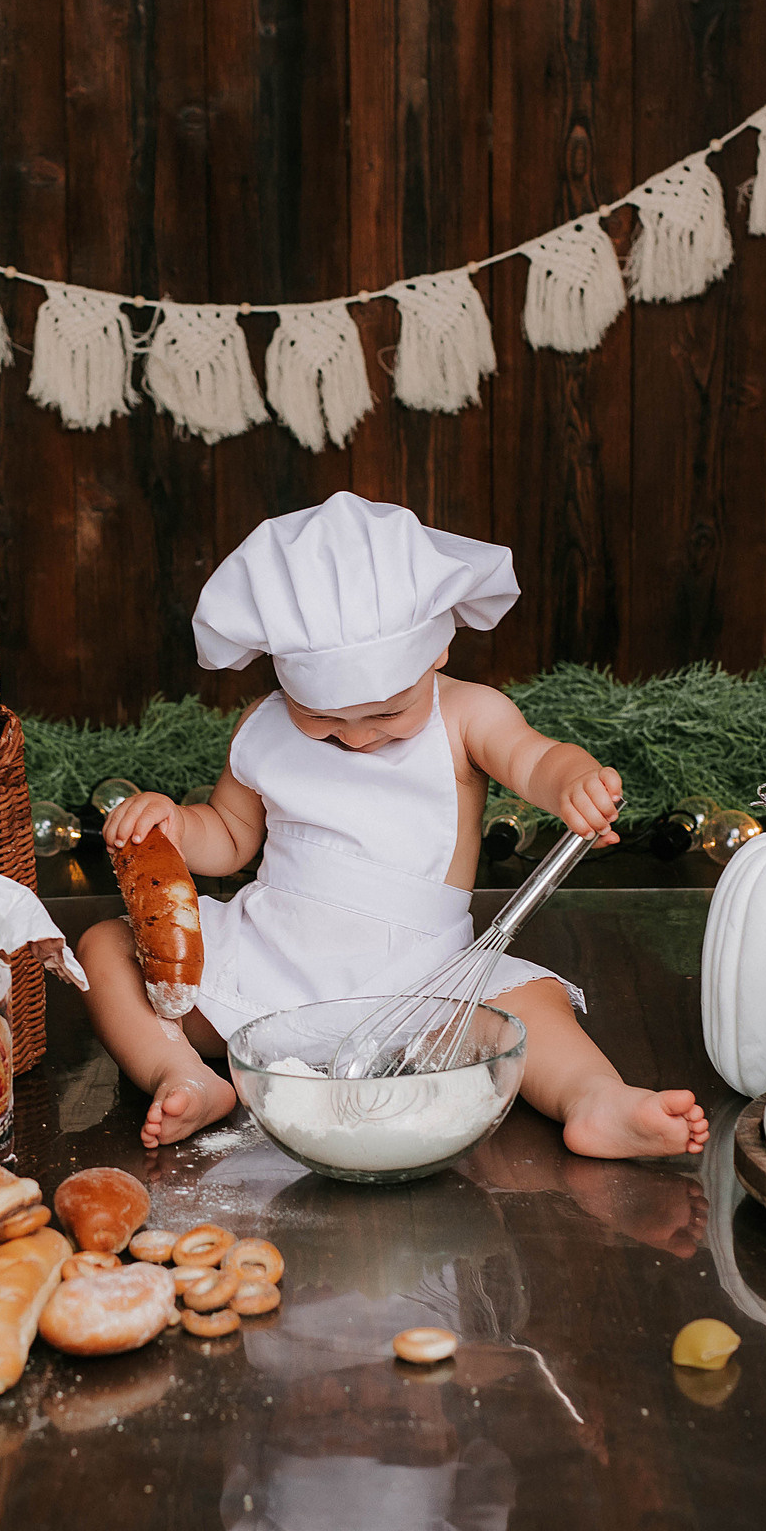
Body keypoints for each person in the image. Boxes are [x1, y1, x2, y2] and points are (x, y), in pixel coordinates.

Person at [80, 492, 709, 1159]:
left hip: (424, 986)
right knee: (104, 947)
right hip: (267, 977)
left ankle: (595, 1099)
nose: (355, 736)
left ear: (438, 651)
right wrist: (177, 825)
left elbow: (536, 759)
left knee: (532, 1002)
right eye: (323, 718)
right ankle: (180, 1071)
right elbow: (231, 836)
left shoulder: (467, 713)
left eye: (386, 714)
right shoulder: (262, 725)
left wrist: (573, 781)